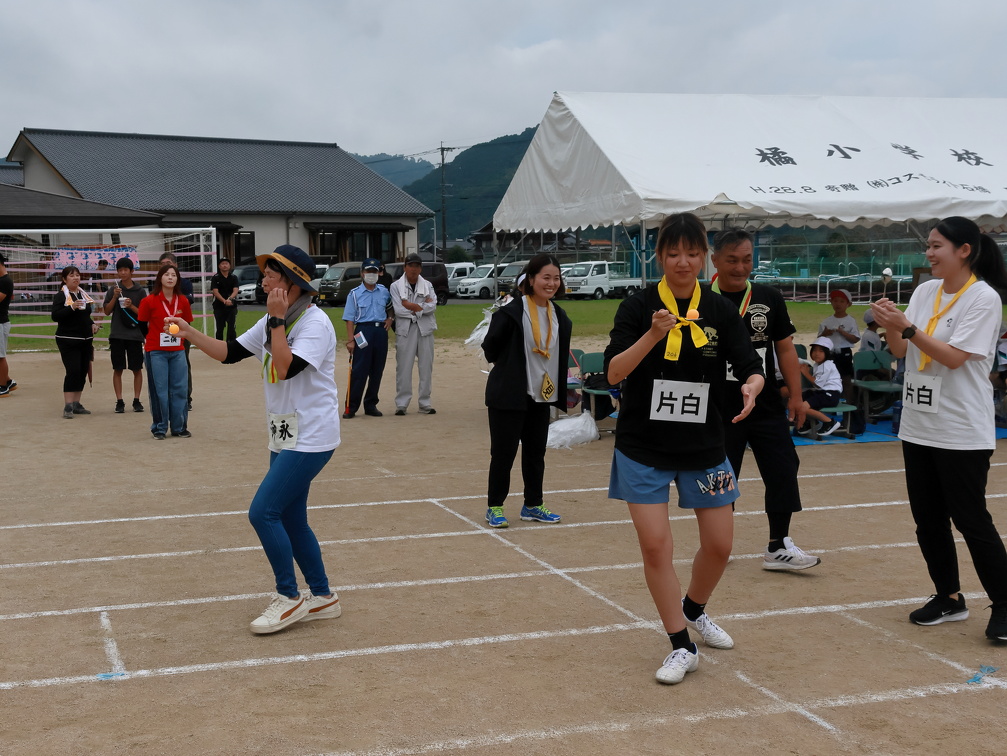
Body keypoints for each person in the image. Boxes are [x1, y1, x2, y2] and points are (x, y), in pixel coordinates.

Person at [604, 213, 764, 685]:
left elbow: (750, 364)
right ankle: (680, 644)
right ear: (658, 256)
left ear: (704, 257)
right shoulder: (637, 306)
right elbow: (613, 372)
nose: (683, 261)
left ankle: (693, 608)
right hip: (642, 447)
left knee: (720, 545)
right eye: (673, 253)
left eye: (692, 253)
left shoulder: (717, 309)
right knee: (656, 547)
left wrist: (753, 386)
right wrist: (653, 333)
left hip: (704, 445)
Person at [164, 244, 341, 634]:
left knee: (263, 512)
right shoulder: (272, 321)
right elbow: (228, 352)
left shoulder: (314, 324)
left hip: (311, 435)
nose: (263, 282)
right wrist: (189, 332)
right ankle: (324, 596)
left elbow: (286, 367)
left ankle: (289, 597)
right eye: (265, 275)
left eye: (271, 276)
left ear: (293, 283)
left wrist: (276, 321)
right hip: (285, 433)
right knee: (291, 517)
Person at [870, 216, 1007, 641]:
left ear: (964, 250)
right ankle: (948, 597)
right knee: (928, 520)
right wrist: (890, 324)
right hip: (918, 425)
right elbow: (900, 350)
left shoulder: (983, 298)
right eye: (928, 246)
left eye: (936, 246)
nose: (928, 253)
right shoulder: (925, 291)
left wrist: (907, 327)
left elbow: (953, 357)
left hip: (961, 428)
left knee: (971, 520)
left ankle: (1005, 604)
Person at [710, 228, 821, 572]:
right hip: (719, 405)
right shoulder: (700, 300)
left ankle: (778, 544)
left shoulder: (768, 297)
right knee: (721, 474)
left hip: (765, 402)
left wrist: (797, 398)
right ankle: (717, 543)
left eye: (747, 259)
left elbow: (785, 349)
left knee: (783, 466)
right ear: (715, 261)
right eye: (732, 260)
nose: (740, 267)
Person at [482, 253, 570, 529]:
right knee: (503, 454)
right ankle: (495, 506)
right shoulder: (511, 311)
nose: (551, 283)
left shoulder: (560, 316)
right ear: (531, 279)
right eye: (546, 277)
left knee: (535, 454)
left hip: (541, 395)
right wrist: (510, 370)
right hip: (509, 395)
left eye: (556, 278)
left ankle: (533, 504)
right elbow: (490, 347)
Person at [138, 263, 192, 439]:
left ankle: (179, 427)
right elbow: (142, 324)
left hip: (178, 351)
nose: (170, 278)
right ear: (160, 278)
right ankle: (160, 428)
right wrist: (152, 339)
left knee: (180, 389)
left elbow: (187, 324)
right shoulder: (149, 301)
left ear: (178, 279)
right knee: (159, 390)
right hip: (156, 351)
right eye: (167, 274)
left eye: (174, 275)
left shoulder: (183, 300)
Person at [342, 257, 391, 418]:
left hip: (380, 332)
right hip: (362, 331)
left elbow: (390, 308)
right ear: (362, 273)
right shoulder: (354, 294)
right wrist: (350, 340)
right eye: (368, 271)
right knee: (359, 370)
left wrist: (390, 319)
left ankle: (371, 404)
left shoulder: (384, 291)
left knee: (377, 370)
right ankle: (351, 407)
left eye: (374, 271)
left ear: (379, 273)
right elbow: (349, 319)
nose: (371, 274)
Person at [391, 253, 437, 415]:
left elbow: (433, 306)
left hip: (425, 329)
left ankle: (425, 403)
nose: (413, 269)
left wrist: (412, 307)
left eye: (417, 266)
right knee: (403, 367)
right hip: (405, 329)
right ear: (405, 267)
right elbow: (398, 310)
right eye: (411, 265)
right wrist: (421, 308)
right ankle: (401, 404)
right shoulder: (395, 286)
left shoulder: (428, 285)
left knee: (426, 367)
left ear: (420, 268)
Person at [51, 265, 100, 418]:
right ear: (64, 279)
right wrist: (71, 307)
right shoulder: (61, 296)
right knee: (73, 370)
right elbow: (55, 316)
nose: (76, 278)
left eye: (77, 275)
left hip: (85, 340)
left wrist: (92, 324)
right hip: (68, 340)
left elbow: (85, 316)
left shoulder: (83, 294)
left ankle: (77, 403)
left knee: (83, 370)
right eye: (71, 275)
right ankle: (68, 405)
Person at [102, 257, 147, 413]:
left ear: (132, 271)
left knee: (137, 368)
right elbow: (106, 311)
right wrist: (115, 297)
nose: (122, 273)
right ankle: (119, 401)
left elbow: (144, 314)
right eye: (120, 270)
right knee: (118, 368)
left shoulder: (140, 291)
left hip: (135, 335)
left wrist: (131, 305)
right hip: (117, 334)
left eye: (125, 270)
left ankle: (136, 400)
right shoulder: (113, 290)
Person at [158, 251, 195, 410]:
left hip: (181, 329)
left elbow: (188, 300)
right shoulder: (156, 285)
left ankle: (186, 397)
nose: (165, 268)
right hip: (161, 329)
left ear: (176, 265)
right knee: (162, 363)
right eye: (162, 265)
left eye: (168, 264)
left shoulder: (185, 283)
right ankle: (166, 397)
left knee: (182, 362)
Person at [796, 337, 844, 436]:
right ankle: (812, 422)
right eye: (814, 350)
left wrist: (805, 373)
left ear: (827, 353)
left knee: (803, 407)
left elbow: (818, 383)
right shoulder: (818, 365)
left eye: (821, 351)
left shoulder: (826, 365)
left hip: (830, 395)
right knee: (800, 398)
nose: (817, 353)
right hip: (823, 393)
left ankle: (829, 422)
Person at [818, 288, 859, 396]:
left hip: (844, 352)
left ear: (848, 304)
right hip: (829, 353)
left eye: (842, 301)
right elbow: (819, 340)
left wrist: (843, 332)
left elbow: (856, 338)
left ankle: (848, 402)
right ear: (831, 302)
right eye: (835, 301)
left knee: (846, 379)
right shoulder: (826, 321)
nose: (838, 304)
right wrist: (825, 334)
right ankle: (830, 400)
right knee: (829, 379)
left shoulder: (851, 321)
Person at [211, 257, 239, 341]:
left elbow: (236, 290)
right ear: (219, 266)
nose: (224, 265)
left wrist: (230, 299)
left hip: (231, 306)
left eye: (226, 263)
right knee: (219, 328)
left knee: (231, 328)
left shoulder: (234, 277)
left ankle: (231, 345)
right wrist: (224, 301)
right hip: (219, 306)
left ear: (229, 265)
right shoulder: (215, 278)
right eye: (222, 264)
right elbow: (215, 291)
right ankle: (219, 346)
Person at [0, 252, 15, 398]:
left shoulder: (5, 281)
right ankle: (8, 381)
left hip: (1, 323)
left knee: (0, 356)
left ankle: (3, 387)